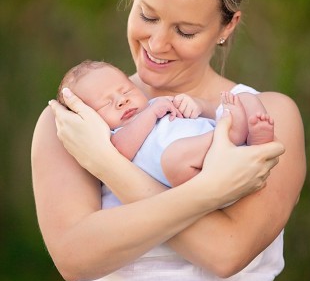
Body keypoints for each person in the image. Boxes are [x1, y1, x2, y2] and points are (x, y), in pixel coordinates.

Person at [31, 0, 306, 281]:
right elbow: (73, 257)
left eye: (185, 31)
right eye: (147, 15)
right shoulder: (78, 113)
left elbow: (226, 252)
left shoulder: (268, 114)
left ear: (227, 27)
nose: (157, 44)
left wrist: (106, 162)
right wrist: (208, 193)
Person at [57, 59, 275, 187]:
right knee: (175, 156)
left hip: (216, 145)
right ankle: (234, 135)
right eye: (105, 104)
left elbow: (203, 116)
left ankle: (255, 138)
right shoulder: (114, 135)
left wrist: (192, 105)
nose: (122, 101)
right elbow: (120, 152)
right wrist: (151, 114)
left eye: (126, 91)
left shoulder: (156, 103)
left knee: (244, 97)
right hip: (202, 175)